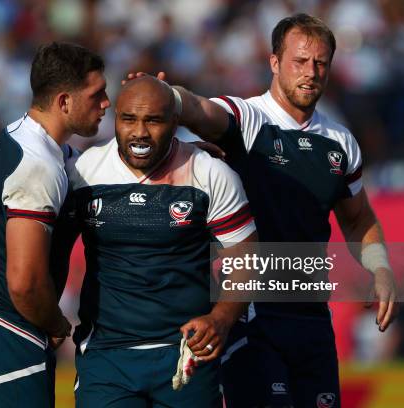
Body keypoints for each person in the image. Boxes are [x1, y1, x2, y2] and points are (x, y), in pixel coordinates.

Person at [127, 13, 398, 408]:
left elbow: (358, 219)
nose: (311, 72)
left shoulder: (341, 142)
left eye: (320, 63)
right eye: (299, 61)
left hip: (311, 317)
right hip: (248, 312)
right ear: (274, 62)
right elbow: (202, 110)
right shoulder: (249, 118)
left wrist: (381, 267)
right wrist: (166, 97)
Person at [52, 76, 257, 407]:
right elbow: (54, 250)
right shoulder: (82, 172)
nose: (140, 132)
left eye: (154, 120)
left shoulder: (211, 174)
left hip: (187, 354)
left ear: (175, 122)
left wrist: (221, 318)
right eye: (129, 118)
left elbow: (248, 260)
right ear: (114, 117)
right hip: (106, 358)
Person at [0, 42, 110, 407]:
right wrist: (58, 324)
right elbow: (25, 283)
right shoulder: (38, 165)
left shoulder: (17, 136)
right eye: (97, 94)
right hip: (1, 337)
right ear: (64, 101)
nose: (107, 102)